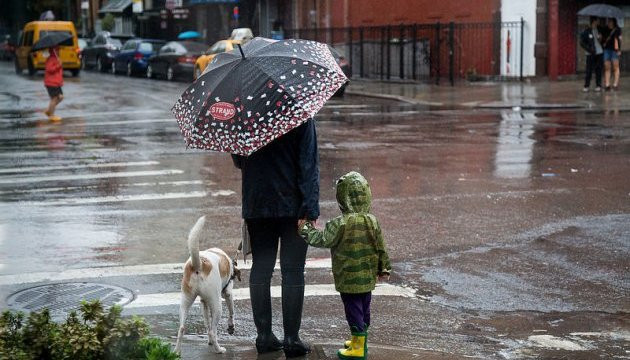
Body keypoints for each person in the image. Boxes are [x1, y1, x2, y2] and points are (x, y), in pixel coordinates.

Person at [231, 119, 319, 358]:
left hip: (257, 203)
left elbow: (240, 161)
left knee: (262, 267)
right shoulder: (300, 113)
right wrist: (310, 209)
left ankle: (264, 336)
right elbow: (308, 164)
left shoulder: (245, 115)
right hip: (293, 205)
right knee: (292, 271)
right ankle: (292, 339)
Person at [300, 171, 391, 360]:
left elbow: (322, 239)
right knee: (365, 306)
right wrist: (384, 268)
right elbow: (380, 246)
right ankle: (360, 340)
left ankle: (357, 347)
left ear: (342, 199)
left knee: (353, 309)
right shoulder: (372, 221)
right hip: (367, 276)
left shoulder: (340, 224)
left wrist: (305, 228)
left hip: (348, 277)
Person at [580, 17, 603, 92]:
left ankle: (598, 85)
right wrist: (589, 49)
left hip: (599, 52)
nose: (598, 22)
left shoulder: (599, 29)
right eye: (597, 20)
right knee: (589, 70)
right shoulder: (586, 31)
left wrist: (600, 38)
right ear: (594, 21)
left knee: (598, 69)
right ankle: (586, 86)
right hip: (590, 53)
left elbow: (600, 41)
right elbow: (581, 42)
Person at [44, 46, 63, 121]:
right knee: (54, 98)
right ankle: (51, 115)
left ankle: (49, 111)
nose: (59, 51)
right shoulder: (51, 59)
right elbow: (49, 69)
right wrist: (59, 65)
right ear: (54, 51)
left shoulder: (56, 58)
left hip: (56, 82)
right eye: (57, 50)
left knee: (60, 97)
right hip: (51, 82)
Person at [602, 18, 622, 91]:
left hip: (615, 50)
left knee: (615, 67)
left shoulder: (617, 29)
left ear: (614, 22)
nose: (609, 23)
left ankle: (615, 84)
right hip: (607, 50)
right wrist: (601, 39)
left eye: (610, 21)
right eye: (608, 21)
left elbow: (619, 40)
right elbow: (603, 39)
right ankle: (607, 84)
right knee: (607, 67)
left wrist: (619, 49)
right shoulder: (605, 29)